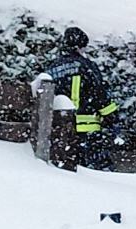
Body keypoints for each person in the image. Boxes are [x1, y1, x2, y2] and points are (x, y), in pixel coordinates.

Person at [36, 27, 118, 170]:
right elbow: (99, 93)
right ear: (80, 46)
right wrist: (111, 116)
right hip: (87, 128)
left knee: (66, 169)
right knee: (95, 172)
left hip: (59, 129)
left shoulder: (52, 68)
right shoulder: (87, 67)